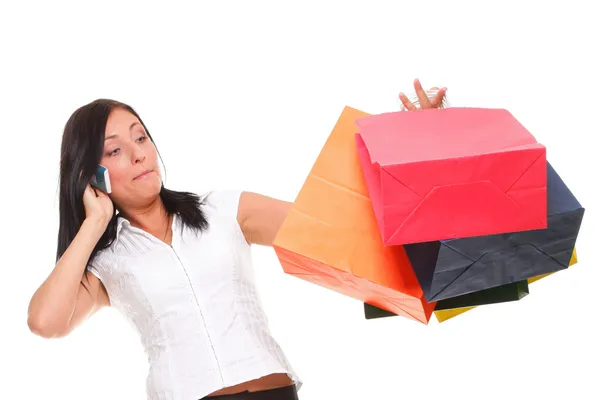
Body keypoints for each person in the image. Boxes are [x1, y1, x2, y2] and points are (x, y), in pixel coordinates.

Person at [27, 79, 446, 400]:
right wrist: (95, 222)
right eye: (114, 150)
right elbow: (45, 323)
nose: (139, 153)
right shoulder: (106, 262)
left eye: (141, 137)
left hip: (273, 391)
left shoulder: (223, 210)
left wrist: (414, 148)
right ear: (90, 174)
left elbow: (334, 228)